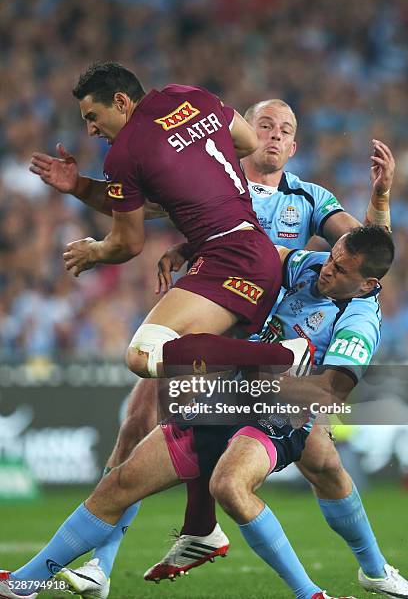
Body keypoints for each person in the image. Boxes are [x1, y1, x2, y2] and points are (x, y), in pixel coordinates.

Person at [30, 96, 400, 597]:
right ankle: (105, 563)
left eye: (283, 128)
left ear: (293, 145)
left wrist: (380, 199)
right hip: (226, 331)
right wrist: (82, 188)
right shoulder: (220, 177)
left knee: (324, 464)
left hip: (272, 357)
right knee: (138, 427)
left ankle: (373, 569)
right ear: (243, 130)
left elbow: (369, 254)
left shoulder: (311, 199)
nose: (271, 133)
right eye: (263, 123)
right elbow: (136, 202)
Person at [0, 226, 396, 599]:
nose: (327, 268)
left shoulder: (358, 322)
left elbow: (327, 394)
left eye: (339, 268)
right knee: (120, 484)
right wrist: (188, 251)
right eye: (332, 257)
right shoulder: (313, 265)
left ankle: (310, 593)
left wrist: (255, 364)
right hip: (227, 395)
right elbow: (264, 252)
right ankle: (25, 582)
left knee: (230, 486)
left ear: (368, 284)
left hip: (279, 417)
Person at [30, 62, 310, 387]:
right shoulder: (189, 96)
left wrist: (93, 252)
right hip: (255, 253)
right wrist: (80, 186)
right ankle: (273, 366)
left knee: (144, 353)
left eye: (92, 117)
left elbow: (127, 243)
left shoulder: (126, 153)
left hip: (231, 259)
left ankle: (283, 358)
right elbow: (247, 142)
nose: (91, 130)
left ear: (120, 102)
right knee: (182, 374)